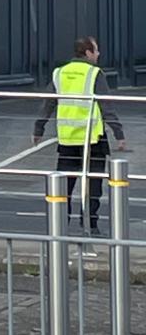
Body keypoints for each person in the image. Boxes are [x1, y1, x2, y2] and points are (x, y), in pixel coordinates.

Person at [33, 36, 127, 236]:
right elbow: (106, 105)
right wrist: (118, 132)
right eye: (96, 50)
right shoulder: (94, 73)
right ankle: (90, 226)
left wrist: (38, 128)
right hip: (92, 139)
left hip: (67, 139)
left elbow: (48, 103)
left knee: (64, 186)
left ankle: (60, 225)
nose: (98, 54)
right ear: (87, 52)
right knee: (93, 186)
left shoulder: (60, 73)